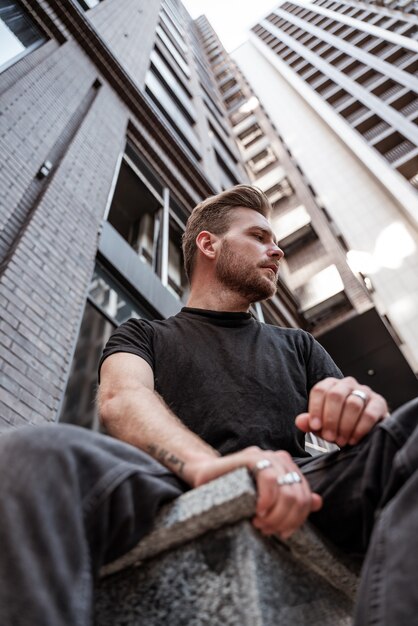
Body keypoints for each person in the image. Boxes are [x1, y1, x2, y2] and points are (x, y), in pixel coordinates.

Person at [0, 185, 416, 626]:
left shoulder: (298, 344)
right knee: (29, 453)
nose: (276, 252)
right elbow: (123, 397)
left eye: (275, 242)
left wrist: (359, 406)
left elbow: (374, 431)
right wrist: (206, 466)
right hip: (172, 481)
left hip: (298, 479)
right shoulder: (142, 335)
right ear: (208, 243)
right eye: (259, 237)